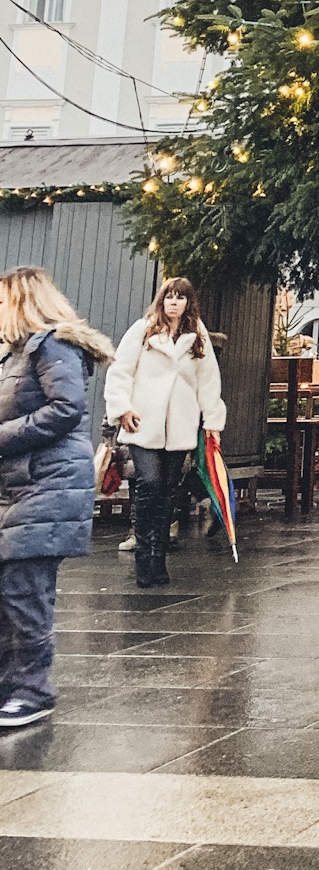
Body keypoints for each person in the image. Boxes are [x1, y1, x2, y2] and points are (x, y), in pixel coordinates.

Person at [0, 267, 116, 727]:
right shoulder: (14, 354)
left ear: (21, 302)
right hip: (19, 486)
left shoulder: (51, 346)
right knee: (8, 591)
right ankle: (12, 686)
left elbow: (66, 409)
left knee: (24, 590)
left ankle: (33, 691)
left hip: (46, 484)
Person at [104, 277, 225, 589]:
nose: (174, 302)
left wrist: (212, 421)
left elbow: (208, 379)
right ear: (161, 300)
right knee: (149, 483)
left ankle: (159, 557)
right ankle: (144, 555)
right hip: (143, 423)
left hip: (180, 426)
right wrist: (122, 409)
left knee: (168, 490)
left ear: (188, 302)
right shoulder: (142, 330)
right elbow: (120, 372)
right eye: (169, 297)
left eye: (180, 298)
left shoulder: (197, 335)